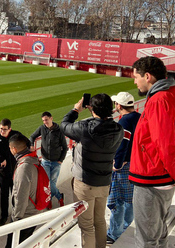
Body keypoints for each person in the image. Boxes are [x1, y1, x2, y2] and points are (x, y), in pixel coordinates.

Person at [130, 56, 175, 248]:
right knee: (158, 233)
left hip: (153, 177)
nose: (135, 81)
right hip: (165, 176)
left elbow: (165, 146)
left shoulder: (160, 99)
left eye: (136, 77)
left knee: (147, 239)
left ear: (148, 76)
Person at [61, 94, 123, 248]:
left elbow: (64, 125)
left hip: (85, 183)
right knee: (100, 221)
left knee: (87, 225)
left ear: (91, 107)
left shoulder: (85, 129)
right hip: (104, 183)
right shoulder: (118, 129)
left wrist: (76, 110)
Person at [106, 92, 141, 244]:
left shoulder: (124, 122)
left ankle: (114, 234)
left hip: (125, 167)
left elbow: (122, 146)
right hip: (138, 165)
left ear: (119, 105)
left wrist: (117, 165)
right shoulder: (141, 117)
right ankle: (128, 227)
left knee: (118, 201)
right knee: (131, 200)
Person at [0, 118, 24, 226]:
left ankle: (17, 215)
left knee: (16, 194)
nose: (2, 131)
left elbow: (26, 142)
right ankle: (4, 217)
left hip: (16, 171)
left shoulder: (15, 135)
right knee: (4, 195)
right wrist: (0, 157)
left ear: (9, 129)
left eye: (4, 129)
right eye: (1, 129)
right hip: (3, 173)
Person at [5, 133, 39, 248]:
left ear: (14, 149)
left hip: (25, 216)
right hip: (34, 211)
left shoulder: (24, 168)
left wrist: (16, 219)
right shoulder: (33, 158)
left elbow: (21, 196)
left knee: (13, 244)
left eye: (10, 148)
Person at [29, 111, 68, 209]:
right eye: (43, 120)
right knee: (47, 184)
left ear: (51, 118)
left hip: (56, 162)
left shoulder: (59, 131)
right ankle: (58, 197)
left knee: (51, 184)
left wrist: (61, 160)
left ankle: (53, 199)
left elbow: (65, 146)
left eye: (46, 120)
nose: (45, 122)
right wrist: (31, 145)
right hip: (45, 161)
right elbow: (32, 136)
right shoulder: (42, 128)